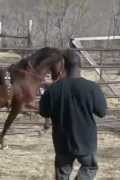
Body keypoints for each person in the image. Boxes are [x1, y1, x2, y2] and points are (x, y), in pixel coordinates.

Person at [39, 49, 107, 180]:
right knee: (89, 167)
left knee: (62, 172)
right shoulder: (92, 87)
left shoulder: (53, 89)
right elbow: (102, 112)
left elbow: (43, 112)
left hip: (62, 141)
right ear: (80, 66)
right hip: (86, 141)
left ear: (63, 65)